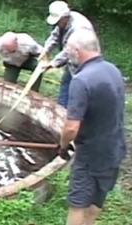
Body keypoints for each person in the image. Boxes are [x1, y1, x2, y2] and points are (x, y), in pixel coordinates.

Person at [57, 29, 126, 225]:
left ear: (77, 51)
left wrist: (63, 146)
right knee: (96, 202)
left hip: (90, 155)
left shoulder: (81, 80)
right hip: (114, 149)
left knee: (78, 203)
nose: (68, 54)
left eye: (69, 50)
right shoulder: (113, 69)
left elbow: (71, 127)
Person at [39, 1, 95, 107]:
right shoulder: (63, 22)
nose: (57, 24)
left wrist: (53, 63)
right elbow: (55, 36)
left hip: (84, 62)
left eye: (58, 21)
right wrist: (45, 50)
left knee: (78, 89)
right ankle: (61, 109)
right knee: (66, 85)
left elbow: (69, 50)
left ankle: (76, 113)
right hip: (72, 61)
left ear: (65, 17)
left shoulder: (79, 27)